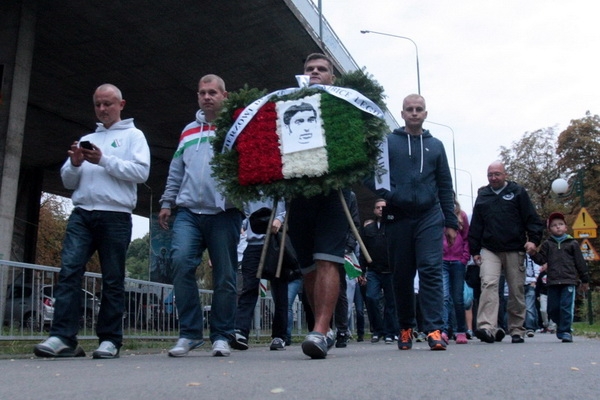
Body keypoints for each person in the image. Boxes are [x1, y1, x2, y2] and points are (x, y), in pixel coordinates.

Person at [34, 84, 151, 359]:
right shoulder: (87, 136)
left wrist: (103, 159)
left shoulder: (134, 136)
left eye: (108, 104)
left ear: (121, 104)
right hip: (83, 212)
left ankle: (110, 339)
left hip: (116, 215)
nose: (102, 109)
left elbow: (141, 172)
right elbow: (67, 181)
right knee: (69, 271)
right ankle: (63, 337)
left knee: (112, 279)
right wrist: (75, 163)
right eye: (98, 104)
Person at [158, 74, 243, 357]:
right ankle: (190, 333)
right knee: (180, 262)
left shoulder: (236, 128)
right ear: (198, 97)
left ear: (224, 95)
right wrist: (167, 201)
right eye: (202, 93)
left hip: (224, 213)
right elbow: (176, 170)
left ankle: (221, 334)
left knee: (226, 276)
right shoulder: (188, 131)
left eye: (212, 93)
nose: (207, 97)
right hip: (188, 212)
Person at [365, 94, 458, 351]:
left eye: (419, 109)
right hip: (397, 215)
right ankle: (405, 327)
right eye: (409, 109)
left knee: (430, 269)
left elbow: (445, 184)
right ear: (403, 113)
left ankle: (434, 329)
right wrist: (391, 195)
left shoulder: (436, 145)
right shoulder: (387, 143)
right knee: (402, 275)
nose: (414, 113)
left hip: (429, 215)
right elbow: (368, 174)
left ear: (426, 114)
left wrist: (450, 221)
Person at [286, 53, 350, 359]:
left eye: (321, 69)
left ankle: (321, 329)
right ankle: (322, 325)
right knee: (309, 268)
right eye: (309, 69)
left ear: (332, 77)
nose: (315, 72)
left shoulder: (345, 106)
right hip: (299, 196)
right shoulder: (286, 106)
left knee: (327, 259)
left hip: (333, 196)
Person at [468, 161, 544, 344]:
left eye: (497, 174)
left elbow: (532, 218)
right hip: (489, 249)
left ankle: (517, 329)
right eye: (490, 175)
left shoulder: (518, 192)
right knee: (488, 284)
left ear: (505, 175)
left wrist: (533, 240)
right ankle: (487, 327)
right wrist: (475, 250)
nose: (493, 178)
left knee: (516, 290)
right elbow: (476, 225)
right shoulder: (483, 195)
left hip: (514, 248)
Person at [232, 199, 289, 351]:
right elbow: (244, 213)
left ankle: (279, 336)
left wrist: (280, 219)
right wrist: (241, 226)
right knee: (249, 287)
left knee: (280, 290)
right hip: (253, 244)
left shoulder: (280, 185)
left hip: (275, 242)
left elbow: (286, 208)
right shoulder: (248, 189)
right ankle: (241, 331)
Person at [526, 212, 589, 342]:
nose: (558, 227)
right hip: (553, 281)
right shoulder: (548, 244)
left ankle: (565, 331)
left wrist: (585, 280)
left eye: (560, 224)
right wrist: (533, 254)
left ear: (566, 227)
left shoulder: (572, 243)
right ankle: (561, 325)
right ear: (550, 230)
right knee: (552, 309)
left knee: (566, 306)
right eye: (554, 225)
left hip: (569, 280)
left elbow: (580, 262)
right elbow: (541, 260)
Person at [359, 199, 398, 344]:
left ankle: (390, 332)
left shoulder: (394, 227)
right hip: (374, 271)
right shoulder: (368, 229)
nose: (381, 210)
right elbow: (363, 251)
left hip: (390, 271)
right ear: (374, 210)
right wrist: (361, 272)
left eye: (383, 207)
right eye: (378, 207)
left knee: (390, 303)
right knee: (371, 298)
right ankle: (377, 330)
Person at [442, 195, 470, 344]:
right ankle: (445, 329)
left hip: (458, 261)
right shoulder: (436, 214)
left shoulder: (462, 215)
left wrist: (464, 257)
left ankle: (461, 330)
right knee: (444, 297)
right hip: (442, 261)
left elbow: (466, 237)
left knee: (458, 298)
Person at [524, 254, 540, 337]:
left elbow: (537, 268)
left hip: (530, 283)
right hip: (518, 283)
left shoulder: (531, 256)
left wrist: (535, 280)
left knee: (529, 307)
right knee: (517, 306)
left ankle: (530, 327)